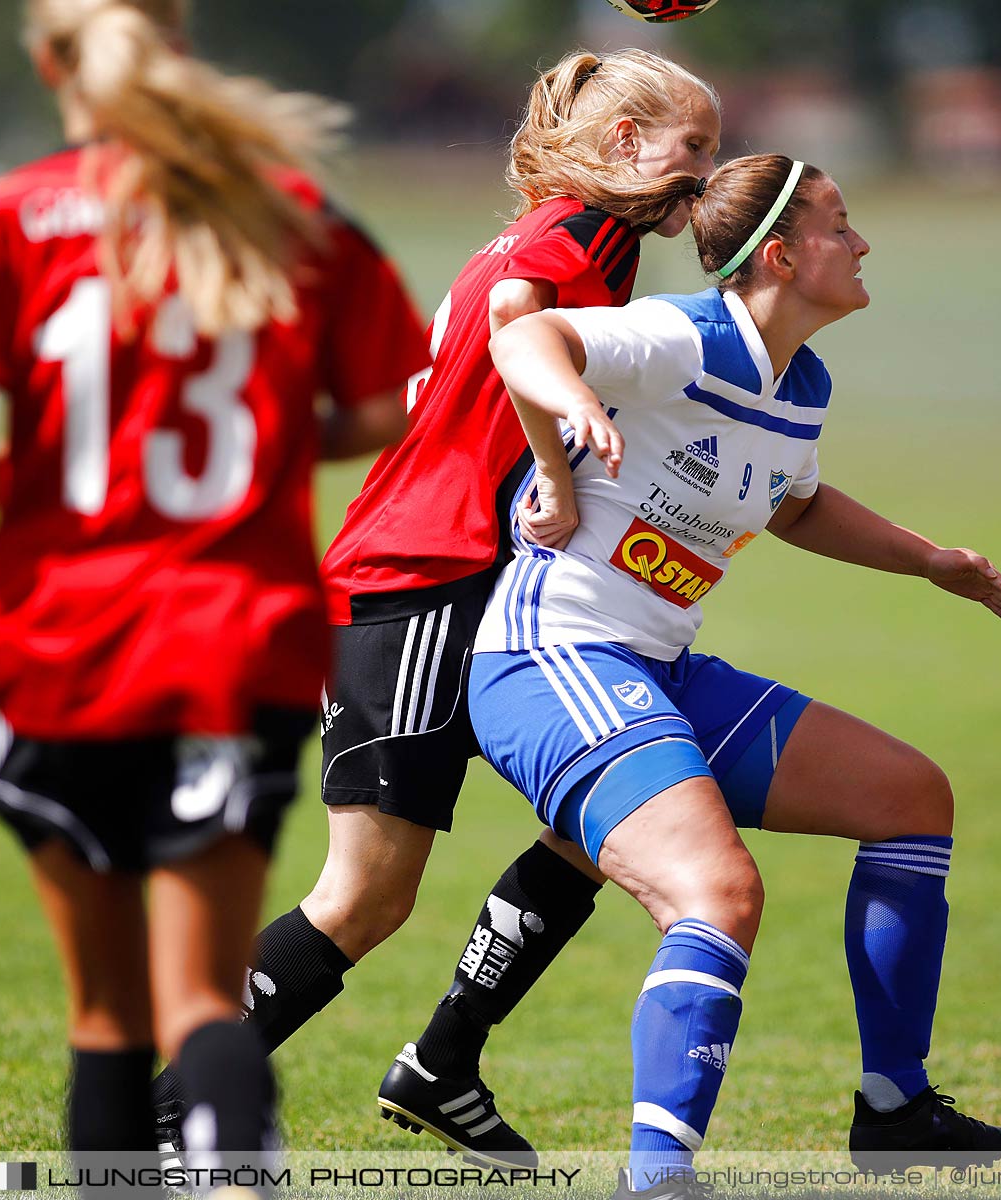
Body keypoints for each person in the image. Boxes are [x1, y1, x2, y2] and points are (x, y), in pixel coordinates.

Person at [0, 0, 426, 1182]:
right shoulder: (292, 209)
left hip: (62, 642)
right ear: (179, 44)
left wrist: (11, 480)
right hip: (239, 642)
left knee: (107, 1015)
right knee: (199, 1001)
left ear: (46, 58)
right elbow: (391, 401)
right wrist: (277, 447)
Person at [146, 48, 722, 1166]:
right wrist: (557, 472)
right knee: (362, 898)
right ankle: (171, 1109)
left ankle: (444, 1062)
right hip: (417, 579)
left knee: (610, 812)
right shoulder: (583, 233)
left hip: (477, 577)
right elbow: (515, 322)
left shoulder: (574, 233)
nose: (706, 168)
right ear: (622, 147)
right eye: (691, 146)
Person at [471, 153, 1001, 1198]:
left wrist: (930, 560)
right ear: (779, 253)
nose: (862, 243)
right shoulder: (686, 335)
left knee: (910, 798)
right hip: (553, 658)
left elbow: (797, 505)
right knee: (717, 893)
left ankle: (895, 1109)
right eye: (839, 223)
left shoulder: (800, 384)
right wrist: (570, 425)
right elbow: (524, 336)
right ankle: (659, 1182)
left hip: (658, 668)